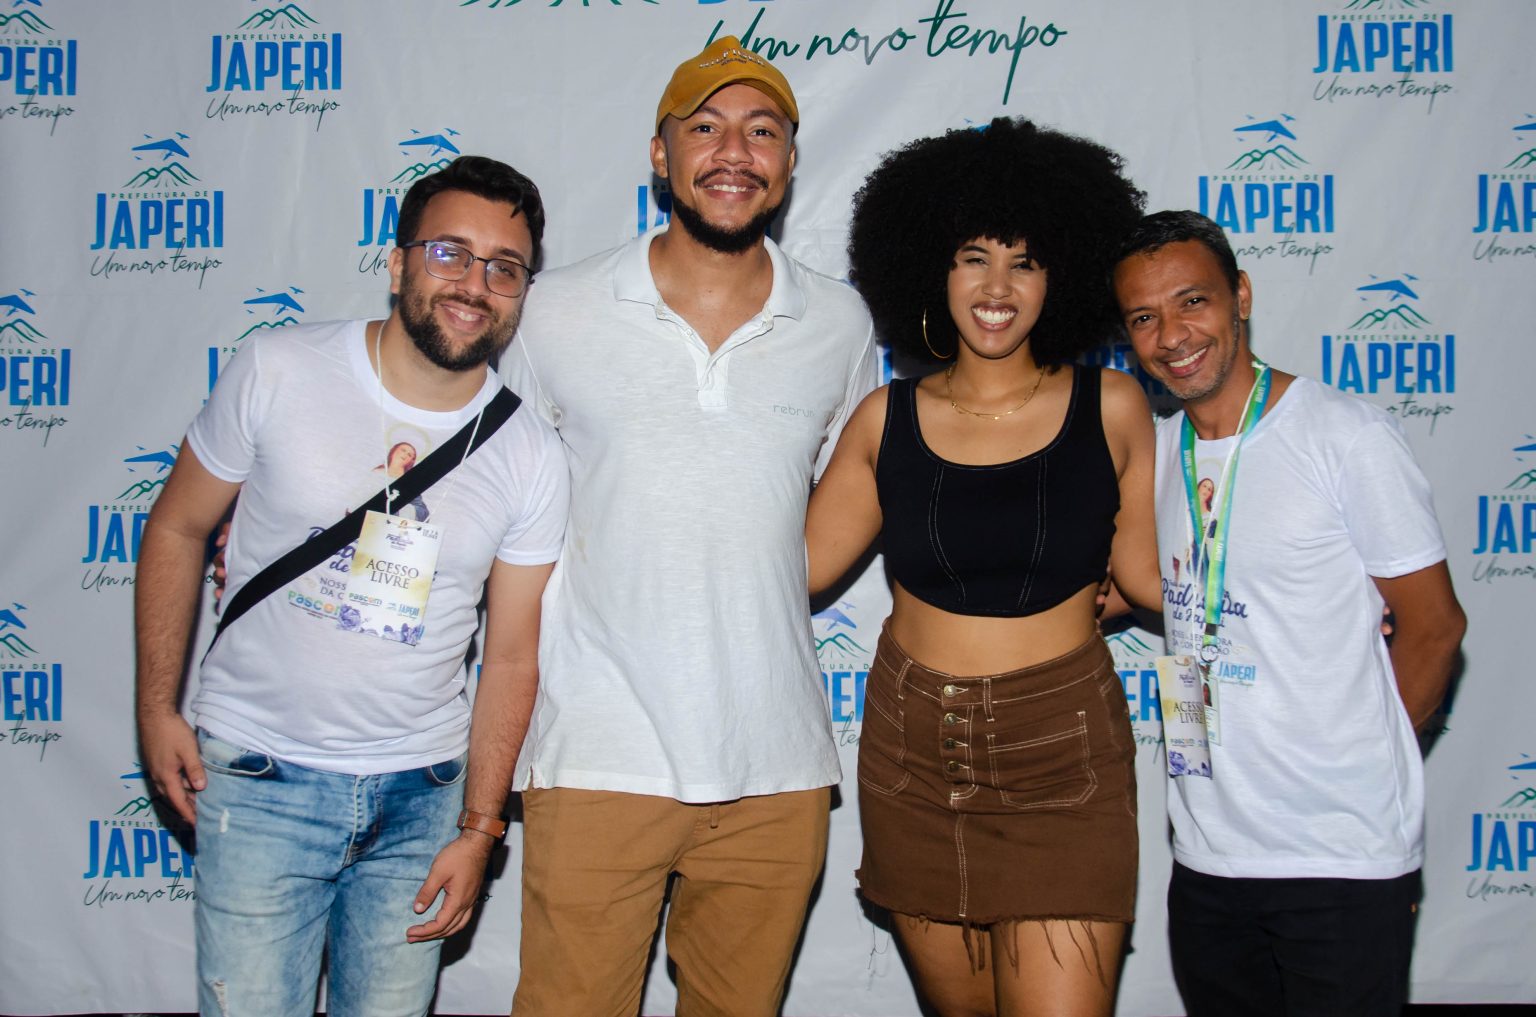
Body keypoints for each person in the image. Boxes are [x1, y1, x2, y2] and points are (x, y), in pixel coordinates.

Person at [134, 155, 569, 1017]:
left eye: (504, 267)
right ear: (398, 262)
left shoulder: (530, 454)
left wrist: (480, 826)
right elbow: (178, 527)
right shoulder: (277, 369)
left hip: (422, 799)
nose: (474, 284)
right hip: (257, 777)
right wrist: (155, 707)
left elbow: (513, 657)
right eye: (449, 253)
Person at [500, 37, 877, 1016]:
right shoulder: (553, 311)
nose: (733, 152)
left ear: (789, 162)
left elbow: (833, 515)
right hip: (597, 754)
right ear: (659, 154)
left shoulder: (839, 324)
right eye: (704, 127)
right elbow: (492, 501)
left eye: (762, 131)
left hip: (776, 768)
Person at [804, 118, 1158, 1016]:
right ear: (934, 268)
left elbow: (1155, 579)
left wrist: (1323, 592)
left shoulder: (1113, 406)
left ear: (1060, 278)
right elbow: (792, 571)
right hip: (912, 755)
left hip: (1062, 758)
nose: (997, 288)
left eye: (1025, 263)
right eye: (974, 258)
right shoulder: (883, 420)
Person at [1111, 210, 1467, 1017]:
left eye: (1192, 301)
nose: (1172, 335)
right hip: (1207, 856)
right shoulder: (1157, 453)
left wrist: (1365, 755)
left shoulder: (1344, 436)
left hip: (1339, 857)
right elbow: (1124, 587)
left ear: (1240, 296)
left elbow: (1436, 625)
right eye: (1143, 317)